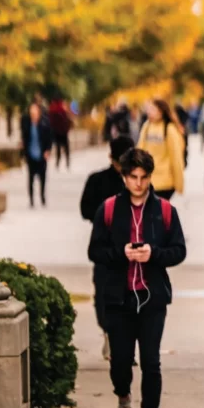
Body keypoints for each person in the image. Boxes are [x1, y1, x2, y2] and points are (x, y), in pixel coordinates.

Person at [88, 148, 186, 408]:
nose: (139, 183)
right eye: (133, 177)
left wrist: (153, 254)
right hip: (118, 299)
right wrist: (122, 253)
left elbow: (179, 250)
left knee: (151, 362)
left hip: (153, 297)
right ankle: (123, 396)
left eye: (144, 177)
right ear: (124, 177)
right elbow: (94, 251)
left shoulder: (165, 210)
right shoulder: (108, 209)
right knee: (120, 362)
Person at [80, 134, 135, 359]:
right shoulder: (98, 181)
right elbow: (85, 209)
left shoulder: (137, 182)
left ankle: (122, 340)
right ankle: (111, 335)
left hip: (128, 248)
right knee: (104, 293)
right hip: (106, 247)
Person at [137, 99, 184, 200]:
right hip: (148, 182)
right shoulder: (147, 126)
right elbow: (139, 152)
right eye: (148, 109)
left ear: (161, 111)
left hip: (165, 183)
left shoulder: (169, 129)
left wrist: (179, 183)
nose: (149, 112)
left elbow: (176, 158)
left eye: (152, 109)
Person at [20, 102, 53, 207]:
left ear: (38, 111)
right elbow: (24, 139)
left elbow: (49, 138)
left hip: (41, 155)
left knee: (42, 178)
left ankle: (42, 197)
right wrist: (23, 153)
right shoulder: (27, 123)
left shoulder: (44, 123)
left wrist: (48, 150)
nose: (32, 112)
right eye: (31, 110)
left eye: (34, 110)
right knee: (30, 178)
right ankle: (31, 200)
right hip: (31, 155)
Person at [48, 96, 73, 169]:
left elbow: (51, 122)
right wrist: (67, 129)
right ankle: (67, 162)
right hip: (63, 132)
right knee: (66, 148)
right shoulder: (63, 111)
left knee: (58, 148)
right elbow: (68, 121)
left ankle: (58, 162)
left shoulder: (52, 110)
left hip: (57, 132)